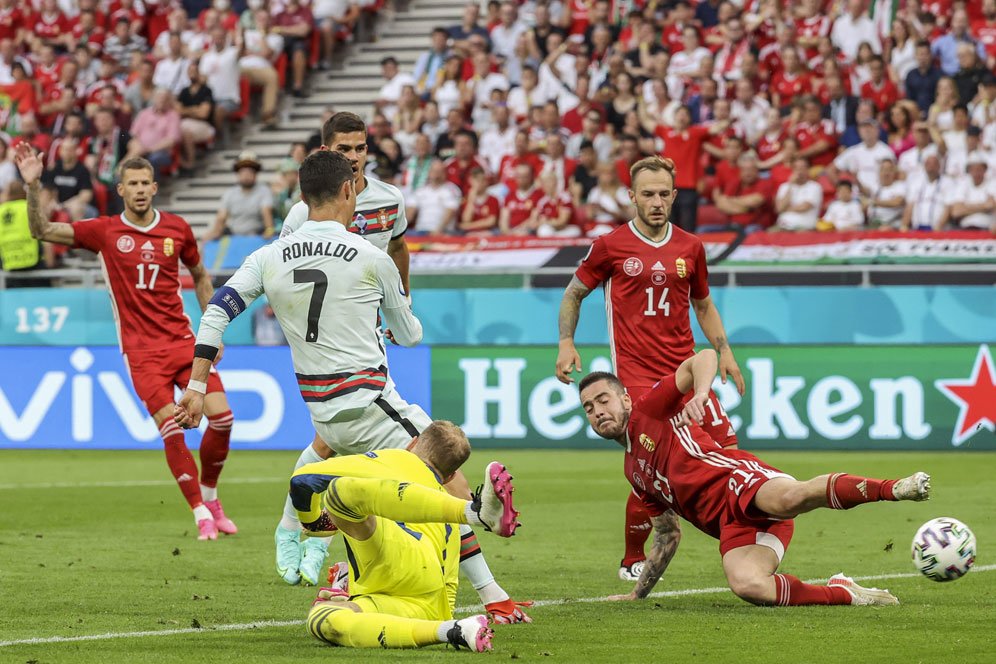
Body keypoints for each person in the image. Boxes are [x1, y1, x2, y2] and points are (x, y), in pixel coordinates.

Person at [268, 137, 531, 623]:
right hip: (339, 358)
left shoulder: (388, 198)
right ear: (329, 153)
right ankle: (487, 587)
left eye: (360, 145)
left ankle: (327, 563)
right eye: (344, 146)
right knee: (438, 470)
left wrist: (399, 299)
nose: (354, 154)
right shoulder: (303, 214)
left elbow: (398, 248)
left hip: (368, 351)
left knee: (343, 466)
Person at [580, 349, 931, 608]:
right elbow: (667, 534)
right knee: (749, 586)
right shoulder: (633, 471)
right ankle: (846, 593)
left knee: (790, 498)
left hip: (739, 482)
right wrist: (636, 594)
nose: (598, 411)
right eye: (589, 408)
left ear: (625, 399)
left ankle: (894, 489)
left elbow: (702, 358)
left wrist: (700, 394)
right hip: (733, 527)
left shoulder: (649, 409)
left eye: (603, 399)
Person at [13, 145, 237, 540]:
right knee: (171, 427)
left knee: (222, 418)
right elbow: (41, 231)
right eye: (131, 183)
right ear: (120, 189)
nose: (138, 189)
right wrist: (33, 185)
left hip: (184, 341)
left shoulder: (177, 229)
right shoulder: (104, 231)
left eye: (144, 183)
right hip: (142, 353)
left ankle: (211, 495)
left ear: (154, 187)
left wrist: (212, 329)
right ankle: (200, 512)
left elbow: (201, 276)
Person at [555, 156, 744, 582]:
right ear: (632, 197)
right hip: (638, 378)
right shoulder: (610, 246)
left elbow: (702, 304)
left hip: (687, 371)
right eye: (647, 194)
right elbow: (573, 294)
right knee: (651, 466)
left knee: (728, 456)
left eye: (664, 194)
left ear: (675, 196)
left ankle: (742, 538)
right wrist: (566, 342)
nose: (656, 202)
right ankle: (631, 559)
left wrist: (724, 351)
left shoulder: (691, 247)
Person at [282, 426, 519, 651]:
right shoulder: (441, 508)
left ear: (412, 444)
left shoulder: (397, 458)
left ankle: (473, 512)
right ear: (450, 477)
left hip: (395, 555)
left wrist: (313, 523)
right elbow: (447, 589)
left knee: (340, 491)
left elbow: (302, 479)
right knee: (322, 618)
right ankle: (453, 631)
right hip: (422, 602)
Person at [203, 151, 275, 240]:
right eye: (243, 172)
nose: (246, 175)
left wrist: (269, 230)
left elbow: (266, 213)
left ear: (255, 174)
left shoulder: (264, 191)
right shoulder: (230, 193)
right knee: (206, 238)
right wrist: (216, 232)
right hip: (233, 234)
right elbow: (221, 217)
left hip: (256, 234)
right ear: (238, 174)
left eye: (250, 172)